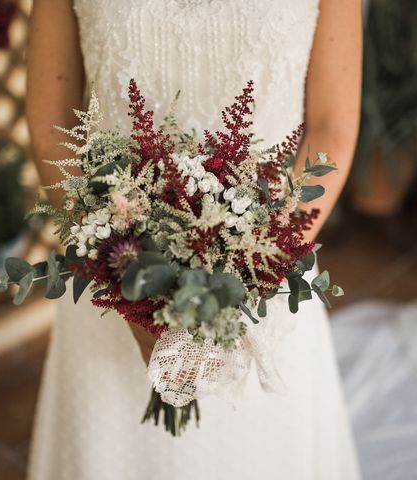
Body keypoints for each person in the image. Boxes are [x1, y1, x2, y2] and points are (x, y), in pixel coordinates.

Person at [26, 0, 362, 478]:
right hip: (112, 272)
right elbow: (50, 123)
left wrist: (254, 267)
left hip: (263, 281)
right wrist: (119, 278)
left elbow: (333, 126)